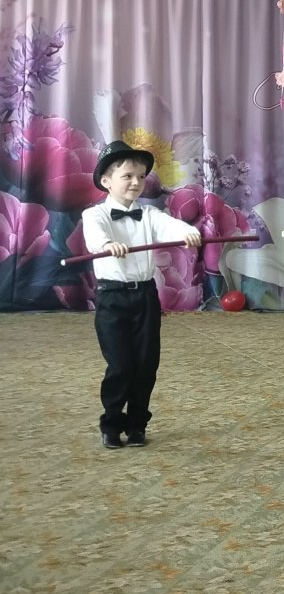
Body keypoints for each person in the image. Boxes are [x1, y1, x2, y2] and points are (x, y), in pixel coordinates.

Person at [81, 140, 201, 449]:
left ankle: (137, 425)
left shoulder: (148, 214)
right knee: (120, 364)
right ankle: (111, 424)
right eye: (127, 176)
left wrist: (188, 233)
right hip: (112, 298)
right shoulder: (95, 215)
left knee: (146, 364)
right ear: (106, 181)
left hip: (145, 297)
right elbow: (95, 238)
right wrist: (108, 245)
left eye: (141, 176)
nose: (136, 182)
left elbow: (171, 226)